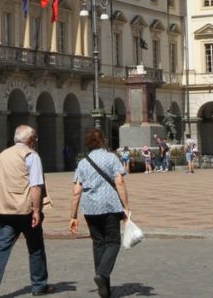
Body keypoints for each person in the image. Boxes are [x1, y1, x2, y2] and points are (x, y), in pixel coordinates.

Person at [0, 125, 54, 297]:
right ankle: (39, 286)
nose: (36, 141)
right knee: (35, 247)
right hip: (25, 210)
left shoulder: (2, 156)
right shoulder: (31, 155)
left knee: (1, 248)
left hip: (4, 208)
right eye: (35, 138)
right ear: (30, 140)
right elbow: (36, 185)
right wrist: (36, 210)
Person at [69, 128, 130, 298]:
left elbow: (76, 191)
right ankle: (102, 275)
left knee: (98, 243)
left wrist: (73, 216)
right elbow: (120, 182)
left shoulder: (83, 162)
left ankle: (104, 287)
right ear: (103, 140)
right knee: (113, 242)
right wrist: (126, 206)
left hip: (90, 208)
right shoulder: (111, 158)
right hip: (110, 205)